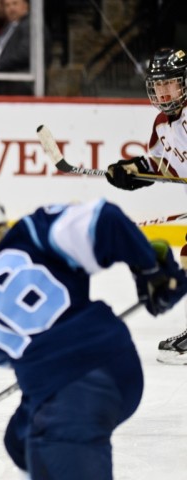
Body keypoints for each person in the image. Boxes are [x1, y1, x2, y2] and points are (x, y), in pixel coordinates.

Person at [0, 173, 187, 479]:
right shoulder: (34, 232)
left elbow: (6, 356)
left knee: (44, 443)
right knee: (19, 439)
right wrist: (151, 269)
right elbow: (106, 220)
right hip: (118, 362)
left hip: (76, 394)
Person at [106, 47, 187, 365]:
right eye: (158, 85)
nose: (163, 91)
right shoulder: (162, 125)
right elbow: (163, 166)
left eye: (170, 83)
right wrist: (131, 172)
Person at [0, 0, 48, 95]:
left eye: (15, 3)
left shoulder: (31, 24)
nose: (11, 8)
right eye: (7, 5)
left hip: (21, 83)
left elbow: (26, 52)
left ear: (25, 5)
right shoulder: (11, 26)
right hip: (4, 82)